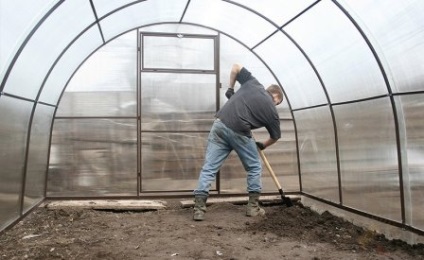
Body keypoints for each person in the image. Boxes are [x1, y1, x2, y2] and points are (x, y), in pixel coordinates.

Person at [193, 63, 284, 221]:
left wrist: (230, 89)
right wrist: (263, 144)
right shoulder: (272, 112)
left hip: (219, 125)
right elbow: (275, 136)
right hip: (239, 131)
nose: (276, 105)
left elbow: (235, 66)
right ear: (276, 97)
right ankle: (253, 207)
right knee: (254, 166)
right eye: (278, 103)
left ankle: (199, 209)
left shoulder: (253, 83)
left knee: (209, 167)